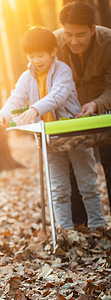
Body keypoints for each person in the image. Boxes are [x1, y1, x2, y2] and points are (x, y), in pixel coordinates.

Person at [0, 26, 106, 230]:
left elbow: (58, 95)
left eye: (40, 55)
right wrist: (2, 114)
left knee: (87, 183)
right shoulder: (26, 78)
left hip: (74, 135)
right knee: (59, 188)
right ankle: (64, 231)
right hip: (50, 139)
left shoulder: (63, 70)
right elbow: (16, 98)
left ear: (53, 52)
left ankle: (98, 227)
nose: (36, 60)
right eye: (31, 55)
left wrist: (35, 109)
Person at [54, 1, 111, 225]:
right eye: (69, 34)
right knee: (72, 162)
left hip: (104, 107)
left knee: (109, 159)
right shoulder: (54, 42)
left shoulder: (108, 42)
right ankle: (80, 224)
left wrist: (96, 104)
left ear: (92, 29)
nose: (74, 41)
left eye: (80, 35)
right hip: (69, 113)